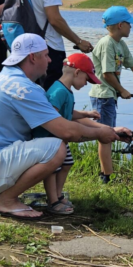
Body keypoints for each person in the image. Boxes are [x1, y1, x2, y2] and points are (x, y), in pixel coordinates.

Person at [0, 34, 133, 219]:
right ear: (33, 57)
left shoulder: (7, 78)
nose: (49, 60)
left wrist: (110, 130)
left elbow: (63, 119)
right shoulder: (24, 89)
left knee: (55, 146)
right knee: (56, 148)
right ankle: (5, 201)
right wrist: (100, 134)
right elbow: (66, 131)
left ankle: (3, 193)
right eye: (46, 55)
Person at [89, 6, 133, 184]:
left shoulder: (120, 44)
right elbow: (107, 73)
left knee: (108, 135)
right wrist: (122, 90)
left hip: (110, 95)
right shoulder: (107, 44)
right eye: (129, 24)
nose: (131, 27)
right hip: (103, 95)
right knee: (105, 137)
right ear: (120, 25)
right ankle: (106, 176)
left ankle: (106, 174)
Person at [33, 53, 105, 215]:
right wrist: (67, 130)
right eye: (87, 79)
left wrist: (86, 114)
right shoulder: (58, 91)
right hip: (49, 139)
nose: (87, 83)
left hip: (59, 140)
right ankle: (53, 201)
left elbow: (68, 113)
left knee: (67, 164)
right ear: (77, 72)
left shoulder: (66, 91)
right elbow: (52, 116)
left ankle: (58, 195)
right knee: (52, 169)